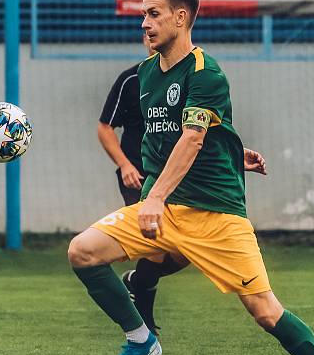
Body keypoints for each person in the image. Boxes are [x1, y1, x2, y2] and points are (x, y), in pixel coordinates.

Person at [69, 0, 314, 355]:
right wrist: (230, 148)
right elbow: (175, 134)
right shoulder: (148, 72)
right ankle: (140, 339)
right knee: (83, 252)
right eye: (142, 15)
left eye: (153, 14)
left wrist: (154, 196)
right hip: (166, 207)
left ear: (181, 17)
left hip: (215, 214)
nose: (144, 24)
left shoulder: (208, 73)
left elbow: (192, 136)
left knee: (265, 311)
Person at [98, 34, 267, 334]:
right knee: (155, 244)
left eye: (155, 17)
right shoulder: (133, 79)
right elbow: (104, 128)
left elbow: (195, 134)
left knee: (182, 253)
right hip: (141, 176)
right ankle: (143, 326)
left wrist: (234, 157)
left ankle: (137, 284)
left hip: (183, 179)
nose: (150, 34)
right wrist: (124, 165)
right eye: (146, 24)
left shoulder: (196, 75)